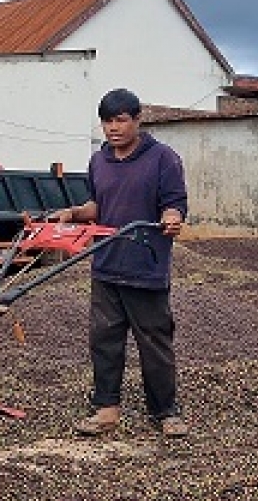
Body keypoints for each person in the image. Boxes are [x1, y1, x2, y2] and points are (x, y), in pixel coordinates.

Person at [48, 87, 189, 439]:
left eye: (120, 120)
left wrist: (172, 217)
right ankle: (106, 408)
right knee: (104, 341)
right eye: (107, 122)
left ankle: (165, 411)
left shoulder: (163, 158)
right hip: (106, 266)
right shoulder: (99, 161)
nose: (113, 128)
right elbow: (97, 206)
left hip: (145, 267)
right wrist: (73, 213)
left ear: (137, 120)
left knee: (154, 343)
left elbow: (174, 204)